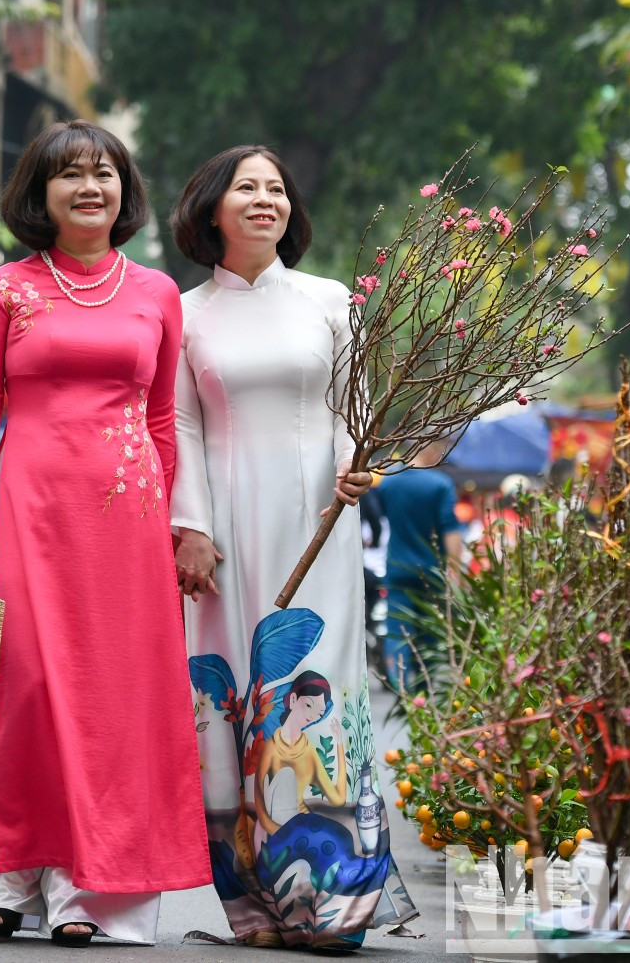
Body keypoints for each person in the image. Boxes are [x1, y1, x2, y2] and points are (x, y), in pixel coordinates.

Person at [0, 119, 209, 946]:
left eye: (105, 173)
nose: (90, 187)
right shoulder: (5, 289)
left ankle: (87, 885)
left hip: (125, 516)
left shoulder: (156, 291)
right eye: (71, 175)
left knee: (109, 698)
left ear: (125, 191)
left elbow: (163, 416)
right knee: (29, 688)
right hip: (26, 510)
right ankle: (16, 872)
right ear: (39, 194)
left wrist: (172, 524)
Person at [169, 145, 416, 950]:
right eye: (248, 188)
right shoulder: (185, 313)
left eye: (276, 189)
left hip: (319, 522)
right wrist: (192, 528)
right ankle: (253, 904)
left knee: (318, 680)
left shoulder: (330, 300)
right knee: (228, 693)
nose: (265, 200)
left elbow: (356, 406)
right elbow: (181, 425)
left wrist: (354, 468)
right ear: (213, 208)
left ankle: (334, 901)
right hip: (227, 534)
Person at [368, 441, 464, 693]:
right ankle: (424, 686)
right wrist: (456, 572)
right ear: (430, 450)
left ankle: (400, 684)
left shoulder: (388, 484)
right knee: (429, 630)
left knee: (398, 628)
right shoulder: (440, 485)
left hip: (397, 568)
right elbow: (450, 531)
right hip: (431, 571)